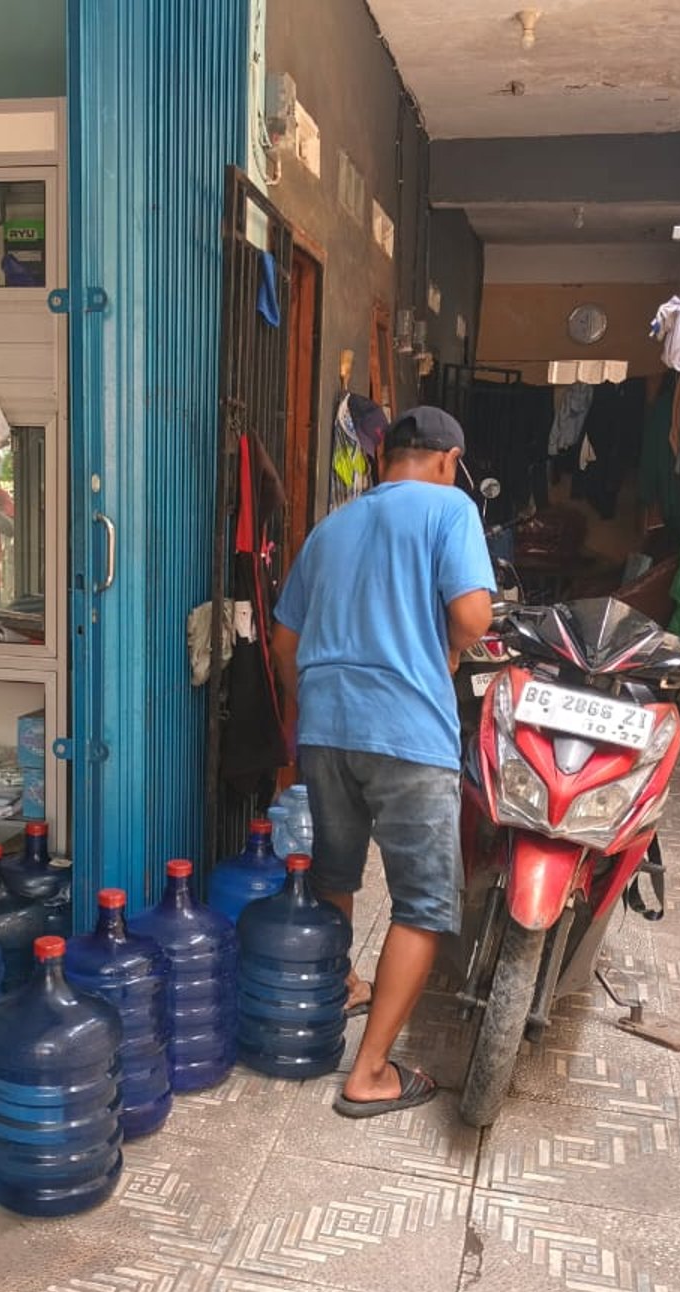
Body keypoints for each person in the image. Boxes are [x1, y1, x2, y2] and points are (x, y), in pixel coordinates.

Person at [270, 406, 495, 1118]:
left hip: (326, 727)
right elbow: (472, 620)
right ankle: (369, 1074)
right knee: (424, 905)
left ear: (384, 456)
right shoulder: (450, 508)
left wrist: (311, 710)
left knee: (335, 875)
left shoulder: (332, 525)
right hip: (406, 733)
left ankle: (340, 987)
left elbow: (283, 642)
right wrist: (452, 650)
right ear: (446, 459)